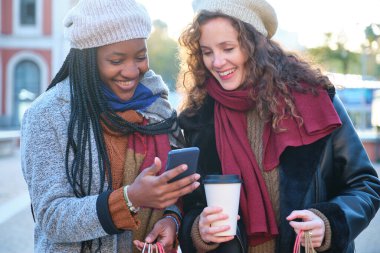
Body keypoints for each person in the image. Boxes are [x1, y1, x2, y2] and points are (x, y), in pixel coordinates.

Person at [176, 0, 380, 252]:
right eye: (207, 52)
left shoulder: (315, 99)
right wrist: (199, 229)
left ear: (256, 45)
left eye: (228, 48)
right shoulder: (197, 118)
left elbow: (364, 185)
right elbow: (188, 204)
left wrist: (329, 224)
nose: (217, 62)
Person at [20, 0, 200, 252]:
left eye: (140, 57)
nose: (131, 71)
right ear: (88, 60)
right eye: (116, 60)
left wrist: (172, 218)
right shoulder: (48, 115)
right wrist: (129, 200)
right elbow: (51, 216)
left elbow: (175, 187)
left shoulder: (158, 109)